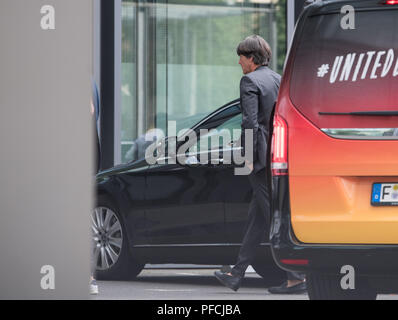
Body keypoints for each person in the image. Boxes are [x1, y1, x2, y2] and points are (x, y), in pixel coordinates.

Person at [214, 35, 306, 294]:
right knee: (258, 216)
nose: (239, 63)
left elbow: (250, 123)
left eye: (241, 58)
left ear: (251, 59)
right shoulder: (278, 79)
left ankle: (296, 276)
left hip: (258, 160)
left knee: (274, 216)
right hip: (277, 157)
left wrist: (246, 158)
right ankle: (237, 273)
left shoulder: (249, 81)